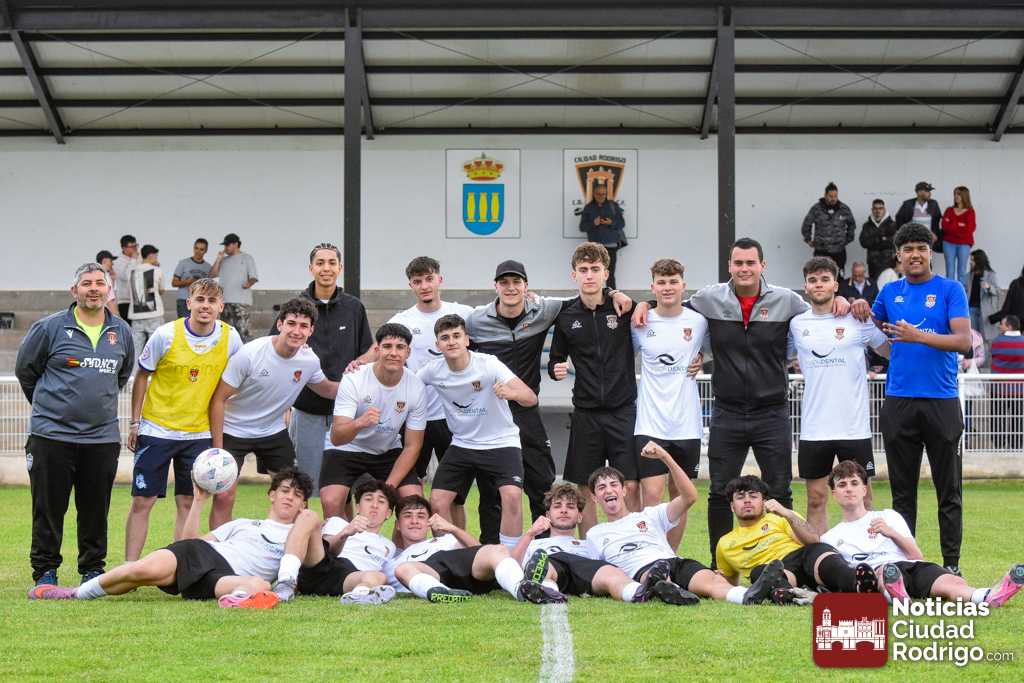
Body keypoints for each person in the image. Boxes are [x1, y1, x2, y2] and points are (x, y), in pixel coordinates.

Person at [633, 238, 849, 565]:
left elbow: (819, 311)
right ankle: (719, 567)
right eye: (738, 263)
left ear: (762, 265)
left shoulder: (787, 301)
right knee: (720, 491)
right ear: (730, 266)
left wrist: (842, 300)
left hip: (772, 412)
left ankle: (785, 562)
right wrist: (644, 304)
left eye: (750, 263)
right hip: (728, 412)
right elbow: (672, 301)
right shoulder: (710, 299)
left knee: (779, 491)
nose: (744, 269)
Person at [465, 259, 632, 538]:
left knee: (542, 483)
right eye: (504, 282)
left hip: (527, 408)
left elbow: (585, 296)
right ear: (495, 286)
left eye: (516, 282)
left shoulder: (544, 309)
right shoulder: (475, 320)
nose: (510, 287)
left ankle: (544, 545)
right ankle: (493, 549)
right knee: (492, 488)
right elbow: (454, 343)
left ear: (526, 286)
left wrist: (613, 292)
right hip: (492, 413)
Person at [852, 222, 972, 575]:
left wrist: (918, 336)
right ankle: (907, 565)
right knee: (902, 494)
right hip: (899, 401)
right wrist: (857, 304)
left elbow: (964, 341)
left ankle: (951, 566)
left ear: (930, 253)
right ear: (898, 256)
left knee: (948, 490)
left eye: (921, 248)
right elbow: (869, 323)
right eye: (908, 250)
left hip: (941, 401)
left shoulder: (950, 289)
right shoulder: (890, 292)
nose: (915, 255)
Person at [29, 468, 314, 609]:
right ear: (272, 494)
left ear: (304, 505)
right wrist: (199, 501)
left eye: (298, 494)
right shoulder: (242, 524)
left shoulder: (300, 536)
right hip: (202, 554)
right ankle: (75, 593)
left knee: (260, 585)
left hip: (226, 577)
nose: (290, 497)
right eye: (285, 490)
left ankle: (238, 600)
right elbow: (191, 542)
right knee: (139, 572)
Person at [15, 263, 133, 588]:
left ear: (109, 290)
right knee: (48, 509)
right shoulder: (49, 328)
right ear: (74, 291)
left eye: (99, 283)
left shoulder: (121, 332)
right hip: (51, 436)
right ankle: (45, 572)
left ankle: (92, 571)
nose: (93, 288)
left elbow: (120, 376)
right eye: (86, 283)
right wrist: (52, 408)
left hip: (102, 438)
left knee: (95, 510)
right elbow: (26, 371)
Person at [124, 278, 243, 562]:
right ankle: (129, 567)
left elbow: (238, 380)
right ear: (189, 303)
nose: (205, 306)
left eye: (212, 301)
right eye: (200, 299)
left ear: (221, 306)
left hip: (198, 433)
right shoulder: (165, 335)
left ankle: (178, 569)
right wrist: (134, 422)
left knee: (188, 502)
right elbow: (142, 376)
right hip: (157, 429)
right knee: (143, 500)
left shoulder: (231, 338)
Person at [822, 460, 1023, 607]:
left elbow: (916, 555)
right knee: (886, 573)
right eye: (842, 485)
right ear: (834, 494)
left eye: (854, 483)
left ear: (864, 489)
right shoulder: (830, 537)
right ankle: (896, 595)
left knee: (952, 582)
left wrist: (891, 533)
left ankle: (988, 596)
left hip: (911, 567)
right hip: (879, 572)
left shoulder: (889, 516)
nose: (849, 489)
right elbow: (843, 577)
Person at [208, 298, 338, 518]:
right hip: (234, 429)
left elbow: (327, 389)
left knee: (296, 493)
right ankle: (223, 542)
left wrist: (361, 380)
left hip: (272, 431)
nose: (296, 331)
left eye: (303, 326)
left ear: (311, 330)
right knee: (224, 495)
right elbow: (218, 399)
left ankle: (294, 539)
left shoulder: (309, 360)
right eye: (291, 323)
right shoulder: (250, 354)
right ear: (280, 324)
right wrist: (218, 449)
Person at [417, 314, 537, 551]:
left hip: (501, 442)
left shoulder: (488, 364)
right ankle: (451, 556)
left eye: (456, 336)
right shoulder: (432, 371)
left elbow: (530, 398)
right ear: (438, 345)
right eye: (445, 338)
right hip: (462, 444)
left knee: (512, 496)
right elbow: (404, 384)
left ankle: (510, 558)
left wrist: (512, 393)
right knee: (438, 501)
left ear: (467, 340)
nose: (451, 341)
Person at [790, 256, 890, 534]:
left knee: (863, 499)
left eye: (825, 279)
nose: (818, 284)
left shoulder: (857, 319)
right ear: (806, 286)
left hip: (853, 426)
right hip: (814, 428)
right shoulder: (796, 323)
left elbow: (888, 350)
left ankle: (865, 554)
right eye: (813, 280)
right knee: (816, 499)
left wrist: (868, 310)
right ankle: (821, 557)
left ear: (835, 284)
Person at [548, 242, 639, 534]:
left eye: (595, 269)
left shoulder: (623, 308)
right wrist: (556, 368)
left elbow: (652, 311)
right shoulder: (565, 315)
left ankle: (633, 545)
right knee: (585, 485)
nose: (589, 275)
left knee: (630, 483)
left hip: (623, 410)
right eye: (583, 269)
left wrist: (616, 294)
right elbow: (555, 358)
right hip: (586, 412)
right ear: (574, 275)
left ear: (605, 274)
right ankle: (591, 546)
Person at [585, 450, 752, 605]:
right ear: (594, 497)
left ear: (623, 490)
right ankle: (668, 587)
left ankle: (748, 595)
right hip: (641, 569)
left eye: (613, 484)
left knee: (711, 581)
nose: (608, 490)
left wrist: (666, 458)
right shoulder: (594, 534)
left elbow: (689, 497)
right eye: (601, 487)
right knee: (652, 575)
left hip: (673, 562)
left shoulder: (650, 515)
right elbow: (597, 572)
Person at [276, 243, 373, 498]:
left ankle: (348, 527)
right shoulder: (295, 307)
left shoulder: (354, 307)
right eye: (320, 263)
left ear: (340, 268)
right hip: (307, 412)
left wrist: (360, 362)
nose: (326, 268)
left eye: (332, 263)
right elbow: (276, 349)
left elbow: (369, 350)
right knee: (306, 487)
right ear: (311, 268)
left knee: (352, 488)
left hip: (348, 413)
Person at [384, 257, 474, 529]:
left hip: (452, 418)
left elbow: (501, 312)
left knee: (455, 497)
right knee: (410, 494)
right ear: (411, 285)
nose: (424, 286)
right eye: (417, 281)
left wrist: (530, 298)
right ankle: (414, 547)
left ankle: (460, 547)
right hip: (415, 418)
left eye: (429, 279)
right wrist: (357, 363)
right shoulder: (401, 321)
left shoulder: (464, 314)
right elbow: (379, 352)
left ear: (439, 280)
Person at [629, 258, 706, 550]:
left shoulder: (698, 322)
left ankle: (670, 558)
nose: (668, 287)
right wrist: (642, 305)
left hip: (687, 425)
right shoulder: (640, 322)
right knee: (652, 496)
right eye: (661, 282)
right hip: (650, 423)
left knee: (681, 497)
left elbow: (716, 348)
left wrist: (703, 358)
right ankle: (650, 556)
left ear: (683, 285)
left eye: (673, 281)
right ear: (653, 287)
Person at [512, 482, 696, 604]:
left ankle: (637, 593)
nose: (564, 511)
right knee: (544, 565)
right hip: (552, 563)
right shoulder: (535, 545)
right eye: (557, 506)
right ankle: (547, 592)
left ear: (580, 516)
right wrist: (530, 534)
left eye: (570, 507)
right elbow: (512, 564)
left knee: (610, 572)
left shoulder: (589, 544)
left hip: (583, 571)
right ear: (548, 515)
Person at [320, 323, 426, 517]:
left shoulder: (416, 386)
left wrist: (388, 489)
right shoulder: (354, 379)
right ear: (377, 350)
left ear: (408, 352)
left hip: (386, 450)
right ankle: (345, 536)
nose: (393, 353)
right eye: (387, 346)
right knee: (331, 501)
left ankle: (401, 540)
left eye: (400, 347)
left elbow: (413, 446)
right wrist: (359, 423)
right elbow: (337, 437)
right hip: (347, 448)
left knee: (414, 504)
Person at [715, 475, 879, 600]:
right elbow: (730, 583)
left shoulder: (779, 517)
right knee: (760, 572)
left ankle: (858, 583)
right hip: (782, 573)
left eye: (753, 495)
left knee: (818, 550)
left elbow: (813, 539)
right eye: (740, 497)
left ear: (764, 501)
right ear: (732, 506)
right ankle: (793, 594)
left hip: (805, 559)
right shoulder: (725, 543)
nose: (747, 501)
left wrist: (786, 513)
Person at [389, 495, 566, 604]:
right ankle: (440, 592)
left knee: (496, 550)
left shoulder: (445, 540)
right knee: (403, 569)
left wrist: (453, 529)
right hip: (432, 571)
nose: (414, 521)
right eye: (408, 516)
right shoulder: (394, 558)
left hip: (463, 564)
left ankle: (521, 588)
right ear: (397, 525)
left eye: (421, 516)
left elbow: (478, 549)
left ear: (428, 522)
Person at [296, 477, 399, 604]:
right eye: (368, 499)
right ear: (358, 507)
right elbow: (324, 550)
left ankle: (360, 594)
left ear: (388, 513)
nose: (374, 505)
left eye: (381, 501)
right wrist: (345, 533)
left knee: (379, 577)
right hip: (324, 566)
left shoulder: (389, 546)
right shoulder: (338, 523)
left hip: (349, 578)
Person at [209, 232, 258, 342]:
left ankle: (248, 351)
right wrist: (218, 259)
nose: (225, 248)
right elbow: (212, 275)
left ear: (236, 244)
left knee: (244, 331)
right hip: (224, 302)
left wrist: (248, 284)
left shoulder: (246, 258)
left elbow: (253, 277)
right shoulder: (224, 260)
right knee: (226, 333)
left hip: (241, 302)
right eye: (225, 245)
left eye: (227, 245)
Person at [578, 182, 627, 289]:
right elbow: (582, 227)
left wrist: (611, 222)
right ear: (594, 194)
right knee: (594, 274)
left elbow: (621, 224)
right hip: (595, 248)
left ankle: (612, 296)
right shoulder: (589, 207)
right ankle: (594, 295)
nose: (601, 196)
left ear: (606, 194)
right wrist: (593, 223)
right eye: (598, 194)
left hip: (611, 246)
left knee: (609, 274)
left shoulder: (613, 206)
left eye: (603, 194)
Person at [800, 181, 856, 275]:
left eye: (835, 196)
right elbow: (806, 224)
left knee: (838, 277)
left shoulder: (844, 209)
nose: (833, 198)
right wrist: (808, 239)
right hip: (821, 251)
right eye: (830, 196)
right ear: (825, 195)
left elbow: (852, 224)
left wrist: (847, 240)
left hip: (839, 251)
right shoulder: (816, 209)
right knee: (821, 276)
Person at [990, 315, 1024, 451]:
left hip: (999, 388)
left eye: (1002, 324)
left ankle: (998, 444)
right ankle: (1016, 445)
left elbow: (993, 355)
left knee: (998, 417)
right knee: (1018, 418)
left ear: (1009, 327)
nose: (1000, 326)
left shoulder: (997, 342)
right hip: (1020, 389)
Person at [128, 244, 165, 366]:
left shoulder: (131, 271)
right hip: (154, 314)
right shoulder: (157, 270)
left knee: (136, 349)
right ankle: (153, 373)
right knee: (156, 347)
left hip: (136, 315)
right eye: (156, 256)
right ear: (151, 255)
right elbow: (161, 290)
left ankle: (133, 375)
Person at [941, 186, 977, 287]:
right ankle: (949, 293)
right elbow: (944, 226)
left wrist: (952, 225)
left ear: (965, 196)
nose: (956, 196)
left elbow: (969, 229)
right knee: (950, 270)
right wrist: (960, 225)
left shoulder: (970, 212)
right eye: (955, 194)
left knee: (962, 270)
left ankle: (961, 294)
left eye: (959, 194)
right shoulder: (949, 210)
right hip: (948, 243)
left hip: (964, 244)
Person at [894, 181, 942, 254]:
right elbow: (899, 219)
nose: (929, 194)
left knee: (926, 258)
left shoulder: (933, 204)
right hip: (912, 239)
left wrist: (935, 233)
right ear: (919, 192)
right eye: (927, 191)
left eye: (929, 191)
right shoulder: (908, 204)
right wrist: (905, 235)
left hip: (927, 238)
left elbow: (937, 220)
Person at [966, 249, 1000, 347]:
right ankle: (976, 357)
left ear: (979, 261)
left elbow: (998, 291)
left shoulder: (991, 275)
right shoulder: (969, 276)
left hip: (985, 311)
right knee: (973, 337)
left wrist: (989, 287)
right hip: (971, 309)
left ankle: (986, 357)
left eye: (972, 260)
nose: (970, 262)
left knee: (986, 338)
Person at [859, 198, 899, 282]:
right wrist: (881, 238)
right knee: (874, 286)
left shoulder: (892, 225)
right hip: (872, 263)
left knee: (888, 285)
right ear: (872, 210)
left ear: (884, 209)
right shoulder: (867, 226)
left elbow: (893, 242)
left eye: (880, 208)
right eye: (875, 208)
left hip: (888, 262)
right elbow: (863, 242)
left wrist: (873, 242)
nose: (878, 211)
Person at [171, 238, 212, 318]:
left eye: (201, 249)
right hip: (184, 300)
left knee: (198, 325)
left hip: (200, 302)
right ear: (193, 248)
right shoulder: (183, 263)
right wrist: (188, 282)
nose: (198, 251)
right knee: (184, 324)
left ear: (206, 251)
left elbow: (209, 286)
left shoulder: (208, 267)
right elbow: (174, 283)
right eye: (196, 248)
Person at [111, 234, 139, 319]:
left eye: (136, 246)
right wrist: (133, 260)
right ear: (123, 248)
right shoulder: (117, 262)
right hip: (125, 301)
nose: (135, 249)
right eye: (132, 246)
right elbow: (126, 277)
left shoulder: (139, 259)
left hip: (139, 300)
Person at [95, 249, 119, 316]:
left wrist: (113, 280)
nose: (112, 264)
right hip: (106, 316)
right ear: (104, 261)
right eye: (111, 261)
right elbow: (110, 300)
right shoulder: (105, 277)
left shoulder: (96, 275)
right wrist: (116, 318)